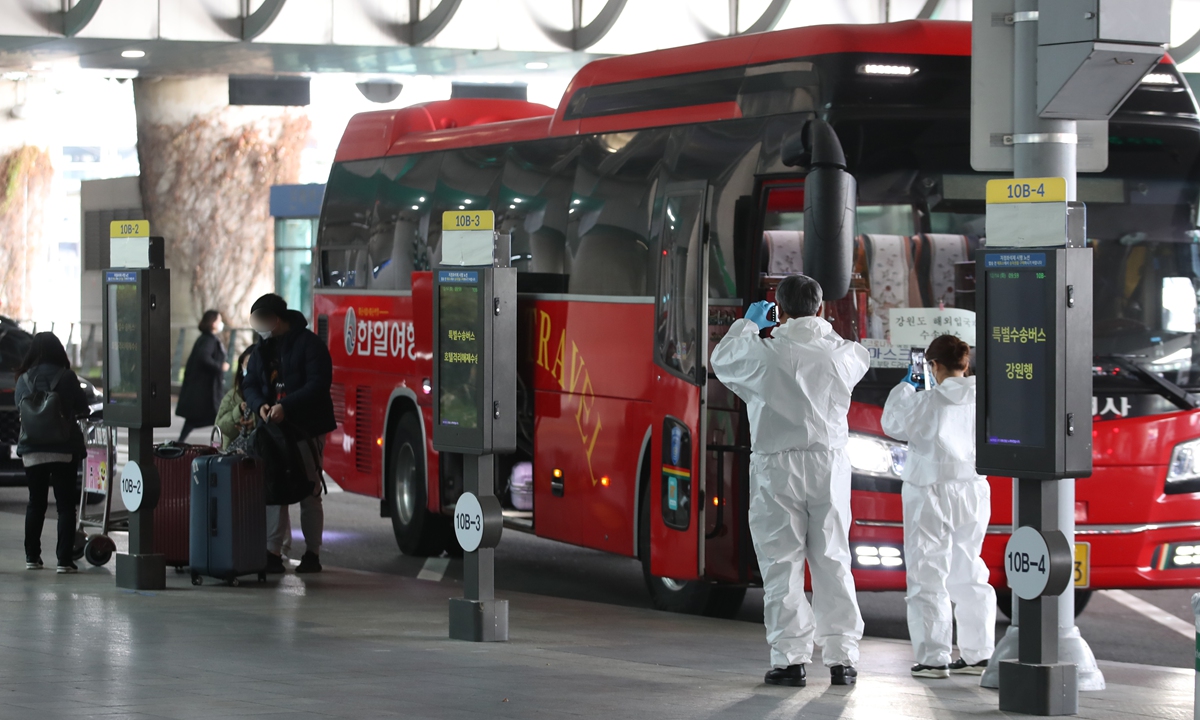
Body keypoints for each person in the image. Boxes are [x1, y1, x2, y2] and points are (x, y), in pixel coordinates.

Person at [710, 274, 870, 688]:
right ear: (820, 308)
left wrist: (748, 324)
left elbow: (723, 361)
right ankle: (842, 660)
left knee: (782, 564)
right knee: (833, 560)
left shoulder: (765, 354)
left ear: (777, 309)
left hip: (776, 468)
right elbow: (858, 354)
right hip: (827, 465)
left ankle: (790, 660)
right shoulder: (842, 355)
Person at [880, 334, 995, 679]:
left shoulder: (927, 402)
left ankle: (934, 657)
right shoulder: (985, 400)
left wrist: (904, 387)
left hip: (929, 492)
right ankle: (979, 653)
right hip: (973, 490)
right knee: (970, 569)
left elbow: (891, 424)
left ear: (934, 366)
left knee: (928, 573)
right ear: (966, 364)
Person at [241, 294, 336, 574]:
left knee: (309, 490)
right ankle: (272, 552)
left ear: (276, 319)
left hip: (306, 429)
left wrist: (286, 406)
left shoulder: (309, 345)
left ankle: (312, 553)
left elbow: (319, 384)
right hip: (272, 430)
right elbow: (250, 385)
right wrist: (261, 407)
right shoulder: (262, 350)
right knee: (273, 489)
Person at [13, 332, 90, 573]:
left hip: (32, 450)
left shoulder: (23, 380)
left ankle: (32, 557)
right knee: (65, 506)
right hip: (63, 449)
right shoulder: (67, 377)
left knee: (36, 504)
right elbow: (83, 408)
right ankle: (64, 561)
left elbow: (20, 409)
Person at [176, 310, 230, 443]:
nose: (221, 323)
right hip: (206, 389)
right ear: (213, 323)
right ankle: (227, 444)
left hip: (205, 389)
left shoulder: (206, 338)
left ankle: (180, 442)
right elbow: (204, 357)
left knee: (199, 419)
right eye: (219, 320)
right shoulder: (209, 340)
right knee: (218, 417)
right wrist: (220, 366)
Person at [214, 346, 256, 451]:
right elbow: (220, 426)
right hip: (234, 456)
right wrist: (238, 413)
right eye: (248, 365)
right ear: (242, 367)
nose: (251, 369)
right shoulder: (234, 395)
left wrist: (255, 422)